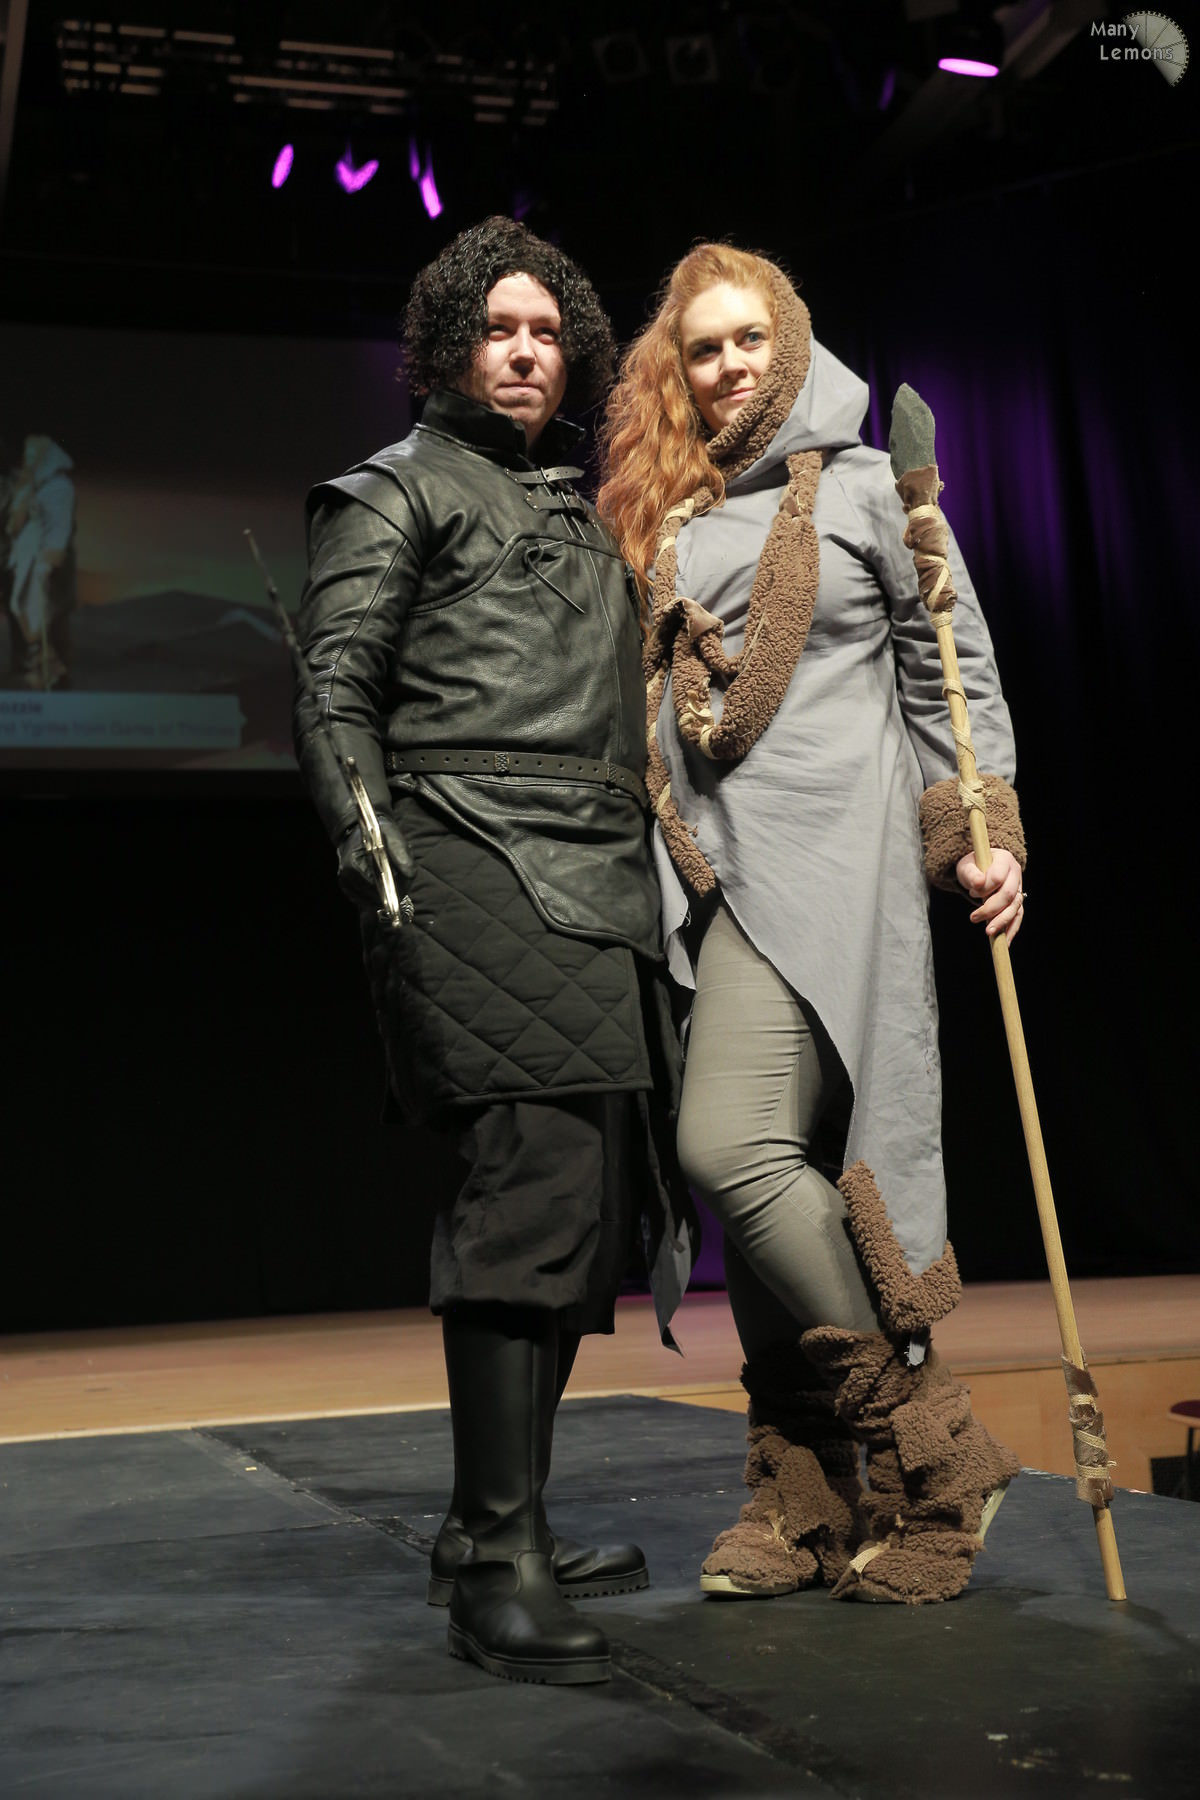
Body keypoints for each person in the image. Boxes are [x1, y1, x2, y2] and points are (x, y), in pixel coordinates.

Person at [292, 217, 694, 1685]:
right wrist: (371, 850)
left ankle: (488, 1524)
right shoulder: (395, 488)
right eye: (497, 329)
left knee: (581, 1216)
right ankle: (501, 1568)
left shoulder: (575, 508)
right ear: (449, 343)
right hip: (472, 864)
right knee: (526, 1202)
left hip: (598, 877)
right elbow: (334, 690)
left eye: (545, 332)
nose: (525, 353)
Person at [598, 244, 1027, 1606]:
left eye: (747, 339)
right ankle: (805, 1492)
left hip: (841, 868)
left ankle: (933, 1450)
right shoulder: (669, 512)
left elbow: (950, 675)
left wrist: (981, 832)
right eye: (702, 348)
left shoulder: (870, 490)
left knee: (728, 1145)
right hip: (712, 877)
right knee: (765, 1172)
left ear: (789, 342)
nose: (727, 366)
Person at [6, 434, 76, 690]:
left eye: (34, 457)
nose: (30, 461)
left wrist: (49, 561)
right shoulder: (32, 485)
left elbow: (60, 527)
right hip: (24, 556)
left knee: (38, 613)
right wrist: (23, 496)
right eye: (28, 457)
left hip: (41, 559)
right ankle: (47, 662)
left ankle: (50, 667)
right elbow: (14, 524)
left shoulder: (60, 487)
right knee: (18, 607)